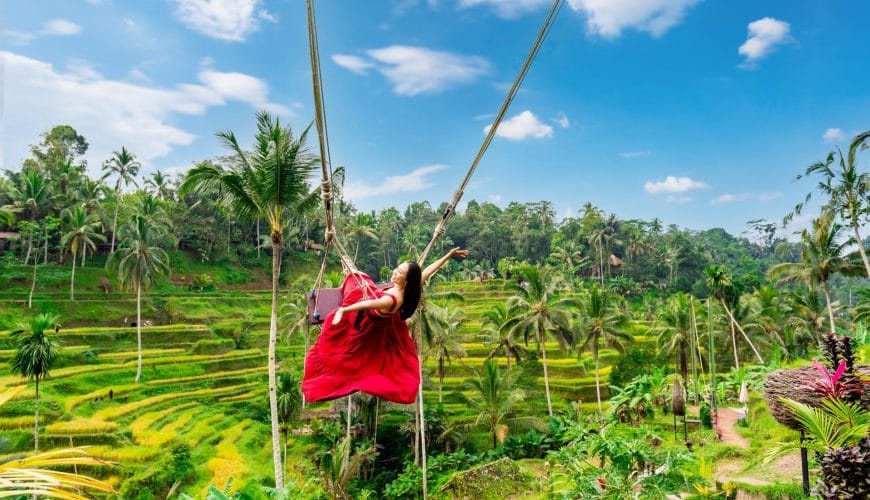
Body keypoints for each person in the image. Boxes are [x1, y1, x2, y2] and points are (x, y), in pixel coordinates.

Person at [302, 247, 469, 404]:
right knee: (362, 280)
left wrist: (344, 310)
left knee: (331, 349)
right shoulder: (408, 288)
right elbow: (427, 271)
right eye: (397, 269)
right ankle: (351, 270)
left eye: (400, 273)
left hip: (365, 326)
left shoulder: (392, 299)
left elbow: (368, 304)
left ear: (407, 280)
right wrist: (449, 255)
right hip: (375, 310)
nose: (395, 273)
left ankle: (351, 271)